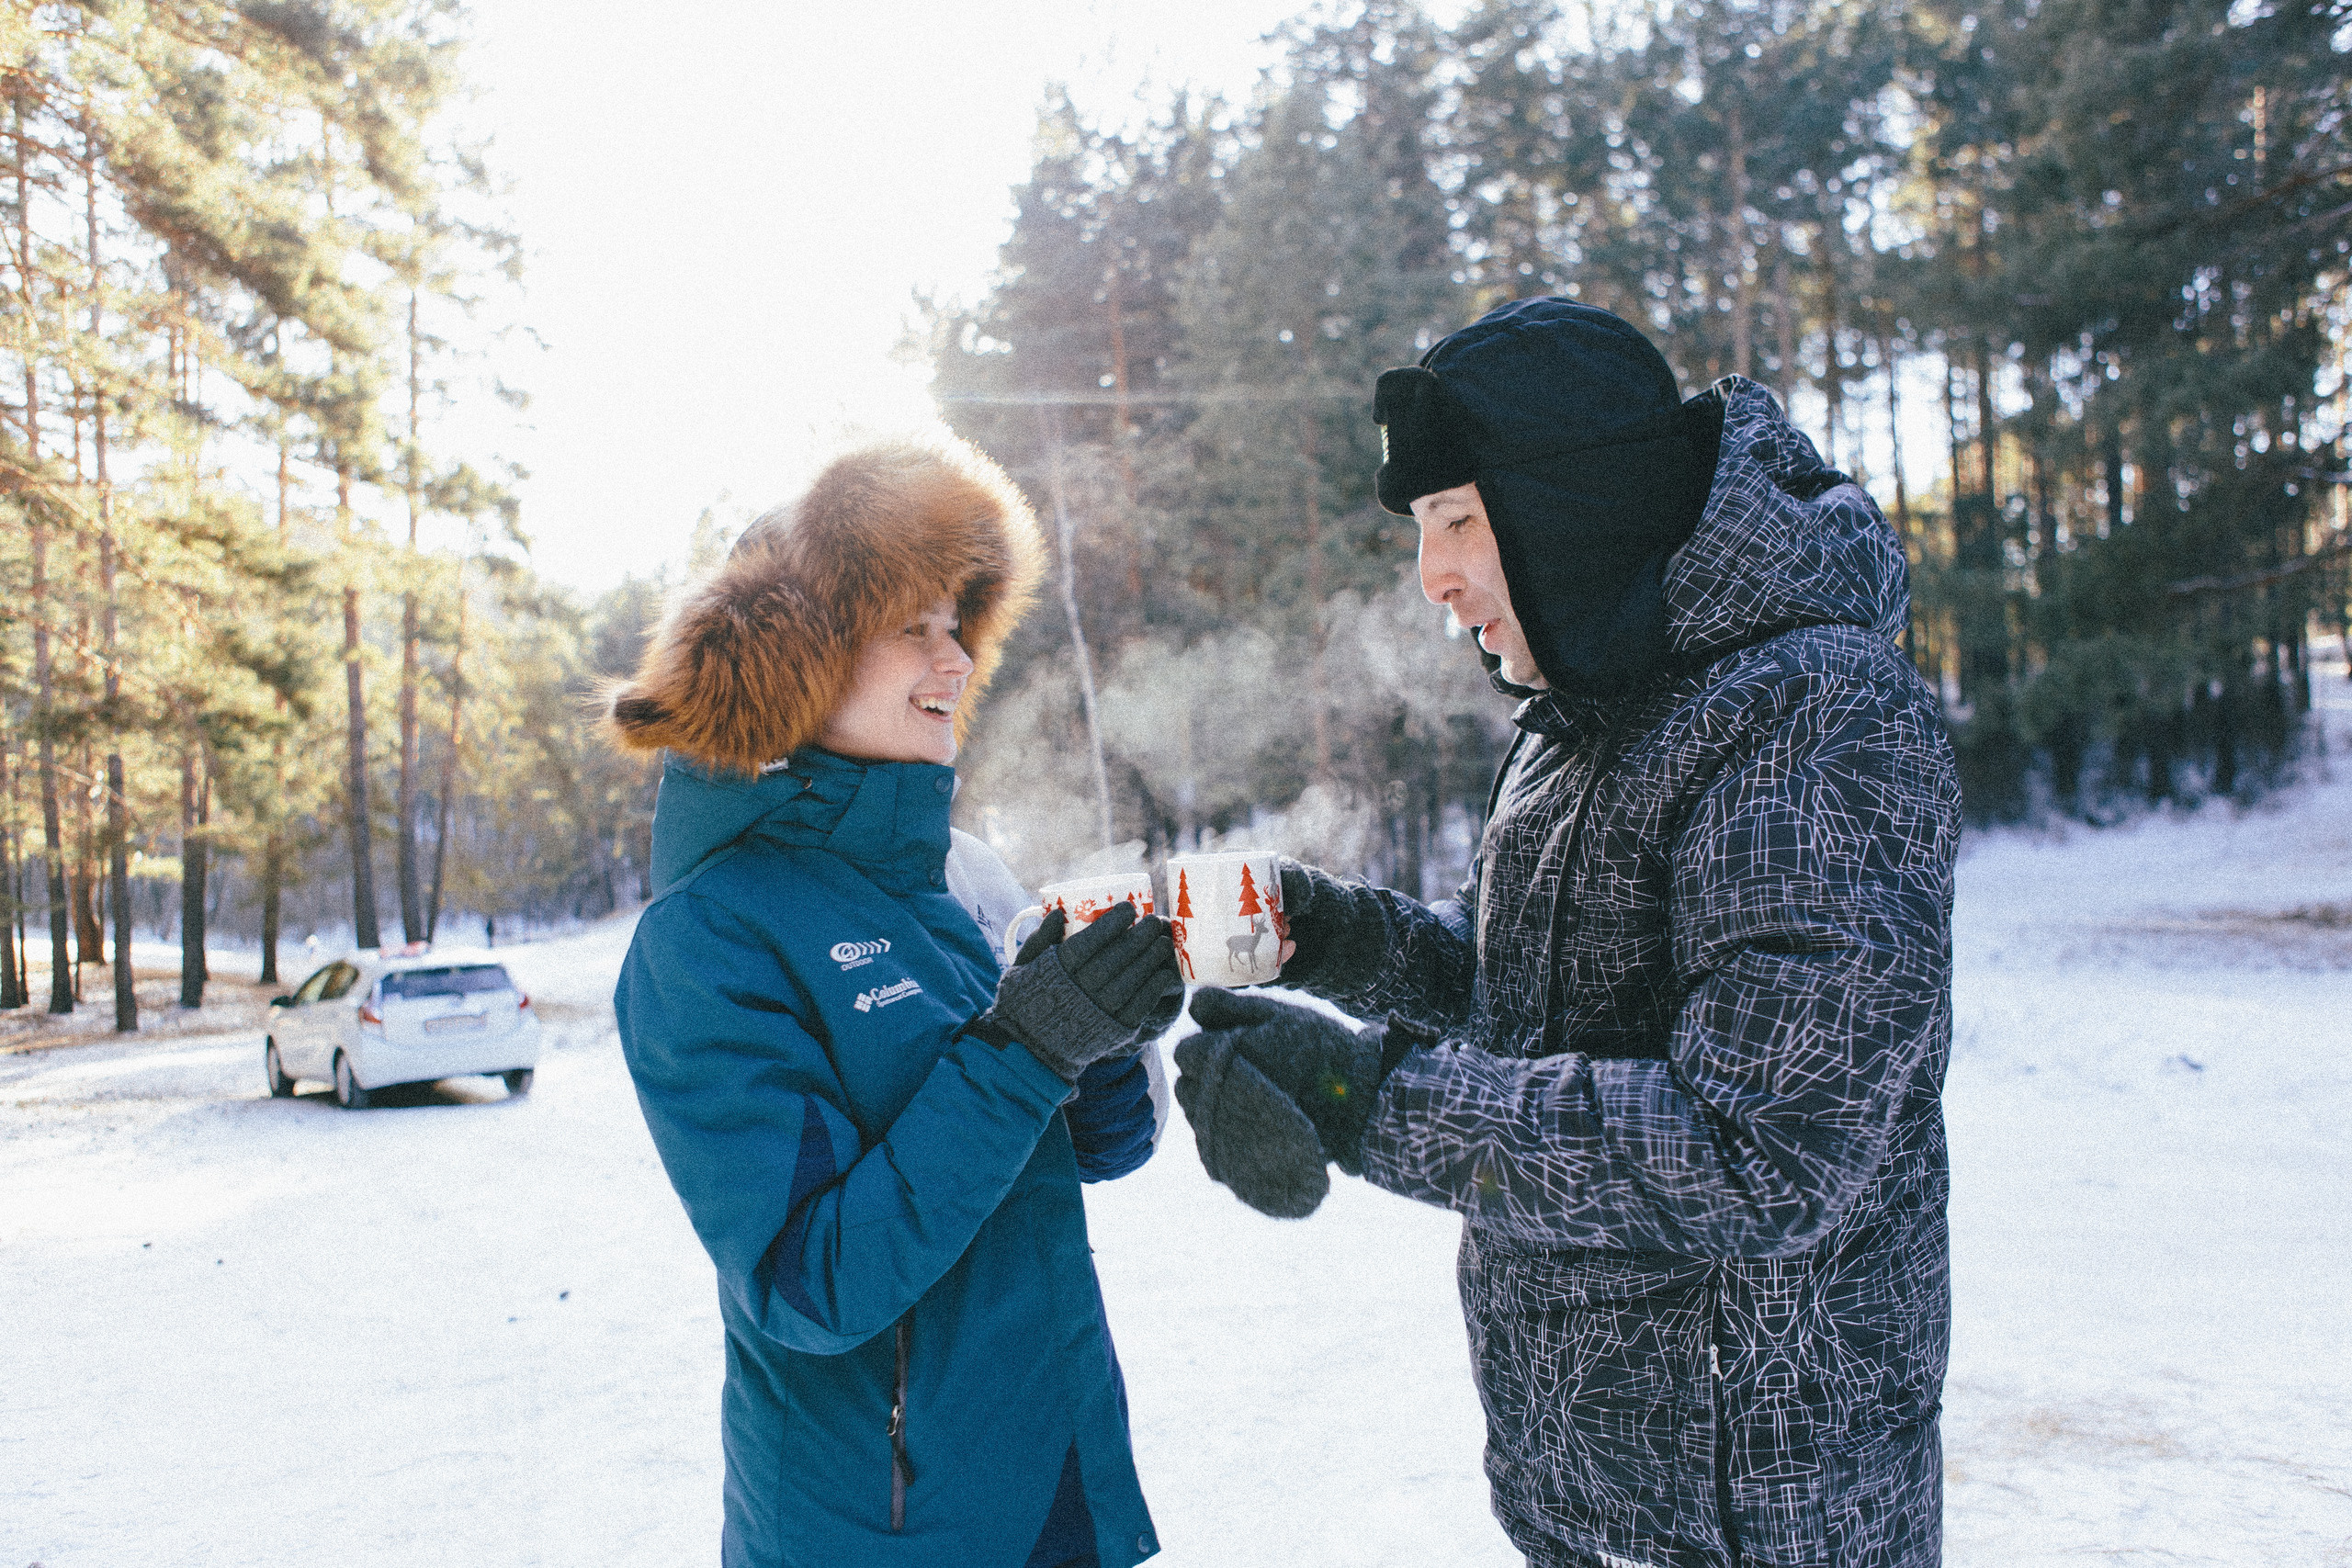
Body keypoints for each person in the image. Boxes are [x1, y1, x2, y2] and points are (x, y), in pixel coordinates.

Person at [1173, 299, 1962, 1568]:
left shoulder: (1813, 713)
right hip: (1587, 1491)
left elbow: (1762, 1144)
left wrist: (1358, 1092)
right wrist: (1323, 936)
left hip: (1760, 1516)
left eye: (1458, 520)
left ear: (1567, 505)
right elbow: (1524, 1007)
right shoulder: (1582, 717)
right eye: (1423, 531)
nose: (1431, 575)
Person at [605, 436, 1182, 1568]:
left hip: (1056, 1490)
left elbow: (1089, 1152)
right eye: (912, 627)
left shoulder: (959, 875)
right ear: (800, 659)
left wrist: (1102, 1037)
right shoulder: (709, 938)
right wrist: (1027, 1047)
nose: (956, 660)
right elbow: (808, 1281)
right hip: (880, 1534)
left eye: (958, 625)